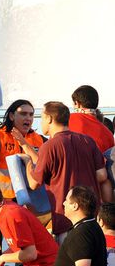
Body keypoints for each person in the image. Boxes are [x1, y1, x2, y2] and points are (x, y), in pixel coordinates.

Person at [26, 101, 108, 242]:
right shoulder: (88, 141)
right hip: (93, 220)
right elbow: (102, 175)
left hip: (66, 221)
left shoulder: (49, 146)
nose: (40, 123)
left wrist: (28, 163)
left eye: (41, 117)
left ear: (49, 119)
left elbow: (34, 183)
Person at [0, 180, 59, 266]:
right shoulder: (5, 209)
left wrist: (3, 258)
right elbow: (20, 246)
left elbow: (30, 254)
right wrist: (0, 258)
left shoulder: (11, 215)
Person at [0, 99, 46, 200]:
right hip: (2, 200)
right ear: (11, 116)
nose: (28, 118)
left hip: (34, 204)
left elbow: (47, 167)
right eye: (23, 114)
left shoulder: (40, 140)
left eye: (31, 114)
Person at [69, 85, 114, 202]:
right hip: (99, 195)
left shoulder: (69, 120)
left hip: (73, 186)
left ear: (77, 104)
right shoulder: (108, 133)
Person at [55, 186, 107, 266]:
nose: (63, 203)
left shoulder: (80, 233)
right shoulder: (92, 225)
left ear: (75, 206)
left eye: (66, 200)